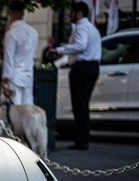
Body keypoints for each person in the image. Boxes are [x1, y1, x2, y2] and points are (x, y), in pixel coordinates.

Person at [49, 2, 101, 150]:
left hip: (82, 68)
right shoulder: (92, 28)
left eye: (71, 12)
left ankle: (81, 140)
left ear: (79, 13)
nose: (68, 15)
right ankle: (83, 138)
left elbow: (81, 46)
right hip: (92, 67)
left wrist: (59, 49)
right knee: (83, 105)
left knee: (80, 105)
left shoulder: (81, 26)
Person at [1, 1, 38, 105]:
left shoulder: (11, 34)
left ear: (10, 14)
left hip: (14, 78)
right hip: (28, 77)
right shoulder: (33, 32)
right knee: (27, 110)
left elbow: (9, 58)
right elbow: (34, 56)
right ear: (23, 14)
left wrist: (5, 82)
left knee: (14, 112)